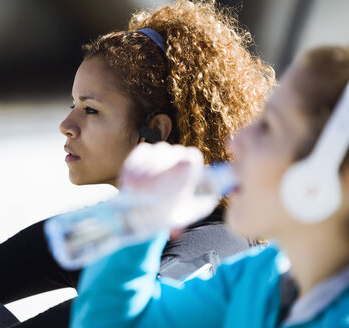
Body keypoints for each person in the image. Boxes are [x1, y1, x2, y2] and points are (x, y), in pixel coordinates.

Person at [0, 1, 274, 327]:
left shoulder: (212, 250)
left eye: (90, 110)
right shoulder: (101, 227)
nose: (66, 125)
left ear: (154, 131)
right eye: (72, 105)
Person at [69, 46, 349, 328]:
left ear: (320, 179)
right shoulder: (258, 277)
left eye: (267, 128)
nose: (235, 143)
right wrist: (136, 222)